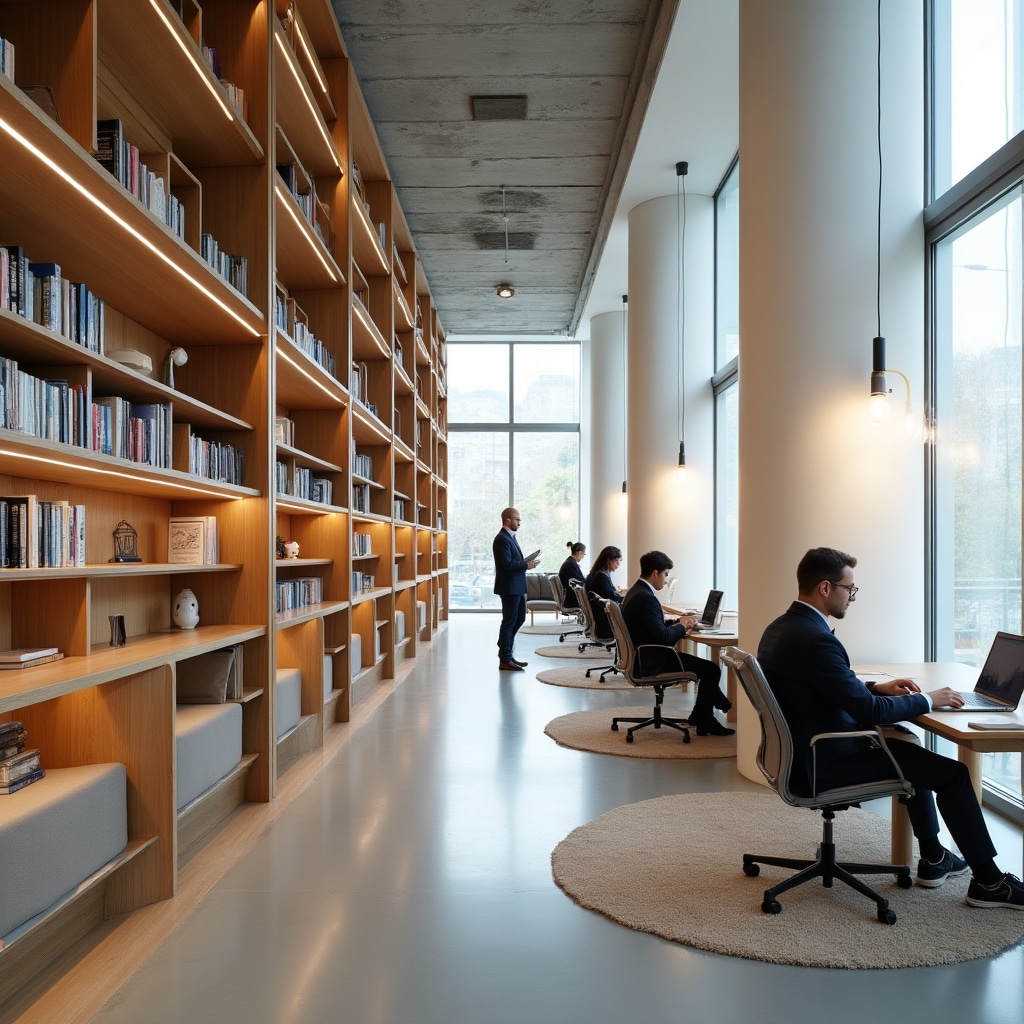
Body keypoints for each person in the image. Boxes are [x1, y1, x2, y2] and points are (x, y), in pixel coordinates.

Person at [757, 546, 1024, 908]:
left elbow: (826, 686)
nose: (852, 597)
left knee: (909, 748)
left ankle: (933, 858)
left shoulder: (782, 628)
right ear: (824, 588)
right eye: (849, 589)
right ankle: (990, 884)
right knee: (953, 774)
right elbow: (868, 713)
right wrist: (929, 699)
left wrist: (875, 687)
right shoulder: (815, 638)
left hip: (805, 753)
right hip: (824, 763)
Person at [621, 550, 734, 736]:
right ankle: (708, 715)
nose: (666, 580)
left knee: (708, 670)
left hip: (644, 655)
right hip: (652, 659)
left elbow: (652, 627)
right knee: (711, 670)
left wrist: (677, 623)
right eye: (666, 574)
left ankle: (707, 711)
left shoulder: (636, 592)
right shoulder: (646, 597)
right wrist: (682, 628)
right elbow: (664, 637)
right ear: (655, 573)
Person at [492, 507, 539, 672]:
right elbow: (506, 564)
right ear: (508, 521)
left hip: (517, 587)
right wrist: (526, 564)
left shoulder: (510, 537)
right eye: (517, 519)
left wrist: (526, 563)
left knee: (519, 619)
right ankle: (504, 658)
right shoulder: (501, 539)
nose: (519, 522)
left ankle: (507, 652)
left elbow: (513, 562)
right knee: (509, 622)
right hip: (509, 588)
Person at [584, 545, 624, 638]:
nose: (618, 565)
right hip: (605, 622)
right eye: (618, 561)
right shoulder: (601, 576)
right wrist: (629, 598)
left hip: (599, 618)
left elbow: (607, 594)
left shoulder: (597, 573)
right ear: (610, 560)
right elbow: (611, 599)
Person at [559, 542, 587, 609]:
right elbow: (581, 581)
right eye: (584, 554)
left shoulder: (569, 562)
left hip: (568, 596)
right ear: (579, 552)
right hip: (572, 599)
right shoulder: (571, 564)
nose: (583, 556)